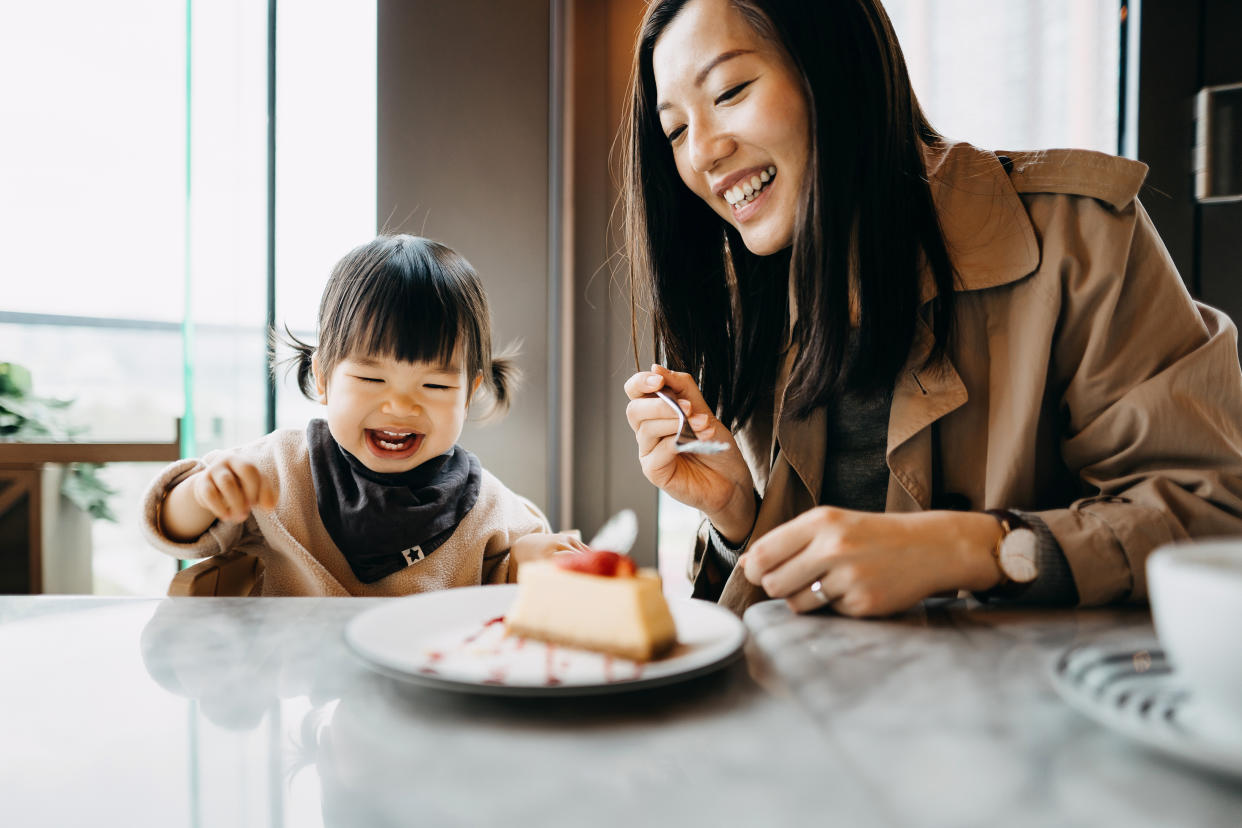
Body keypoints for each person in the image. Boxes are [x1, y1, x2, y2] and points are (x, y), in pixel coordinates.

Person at [620, 0, 1242, 617]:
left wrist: (971, 548)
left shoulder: (1079, 238)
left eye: (729, 91)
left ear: (836, 65)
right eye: (675, 129)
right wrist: (734, 517)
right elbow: (796, 616)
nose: (700, 152)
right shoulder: (752, 304)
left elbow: (1211, 517)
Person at [143, 234, 581, 595]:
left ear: (469, 394)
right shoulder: (278, 474)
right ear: (323, 378)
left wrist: (530, 562)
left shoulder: (487, 507)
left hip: (424, 697)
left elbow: (513, 585)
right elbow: (171, 527)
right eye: (372, 380)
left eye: (435, 386)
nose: (401, 406)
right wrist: (202, 494)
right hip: (294, 689)